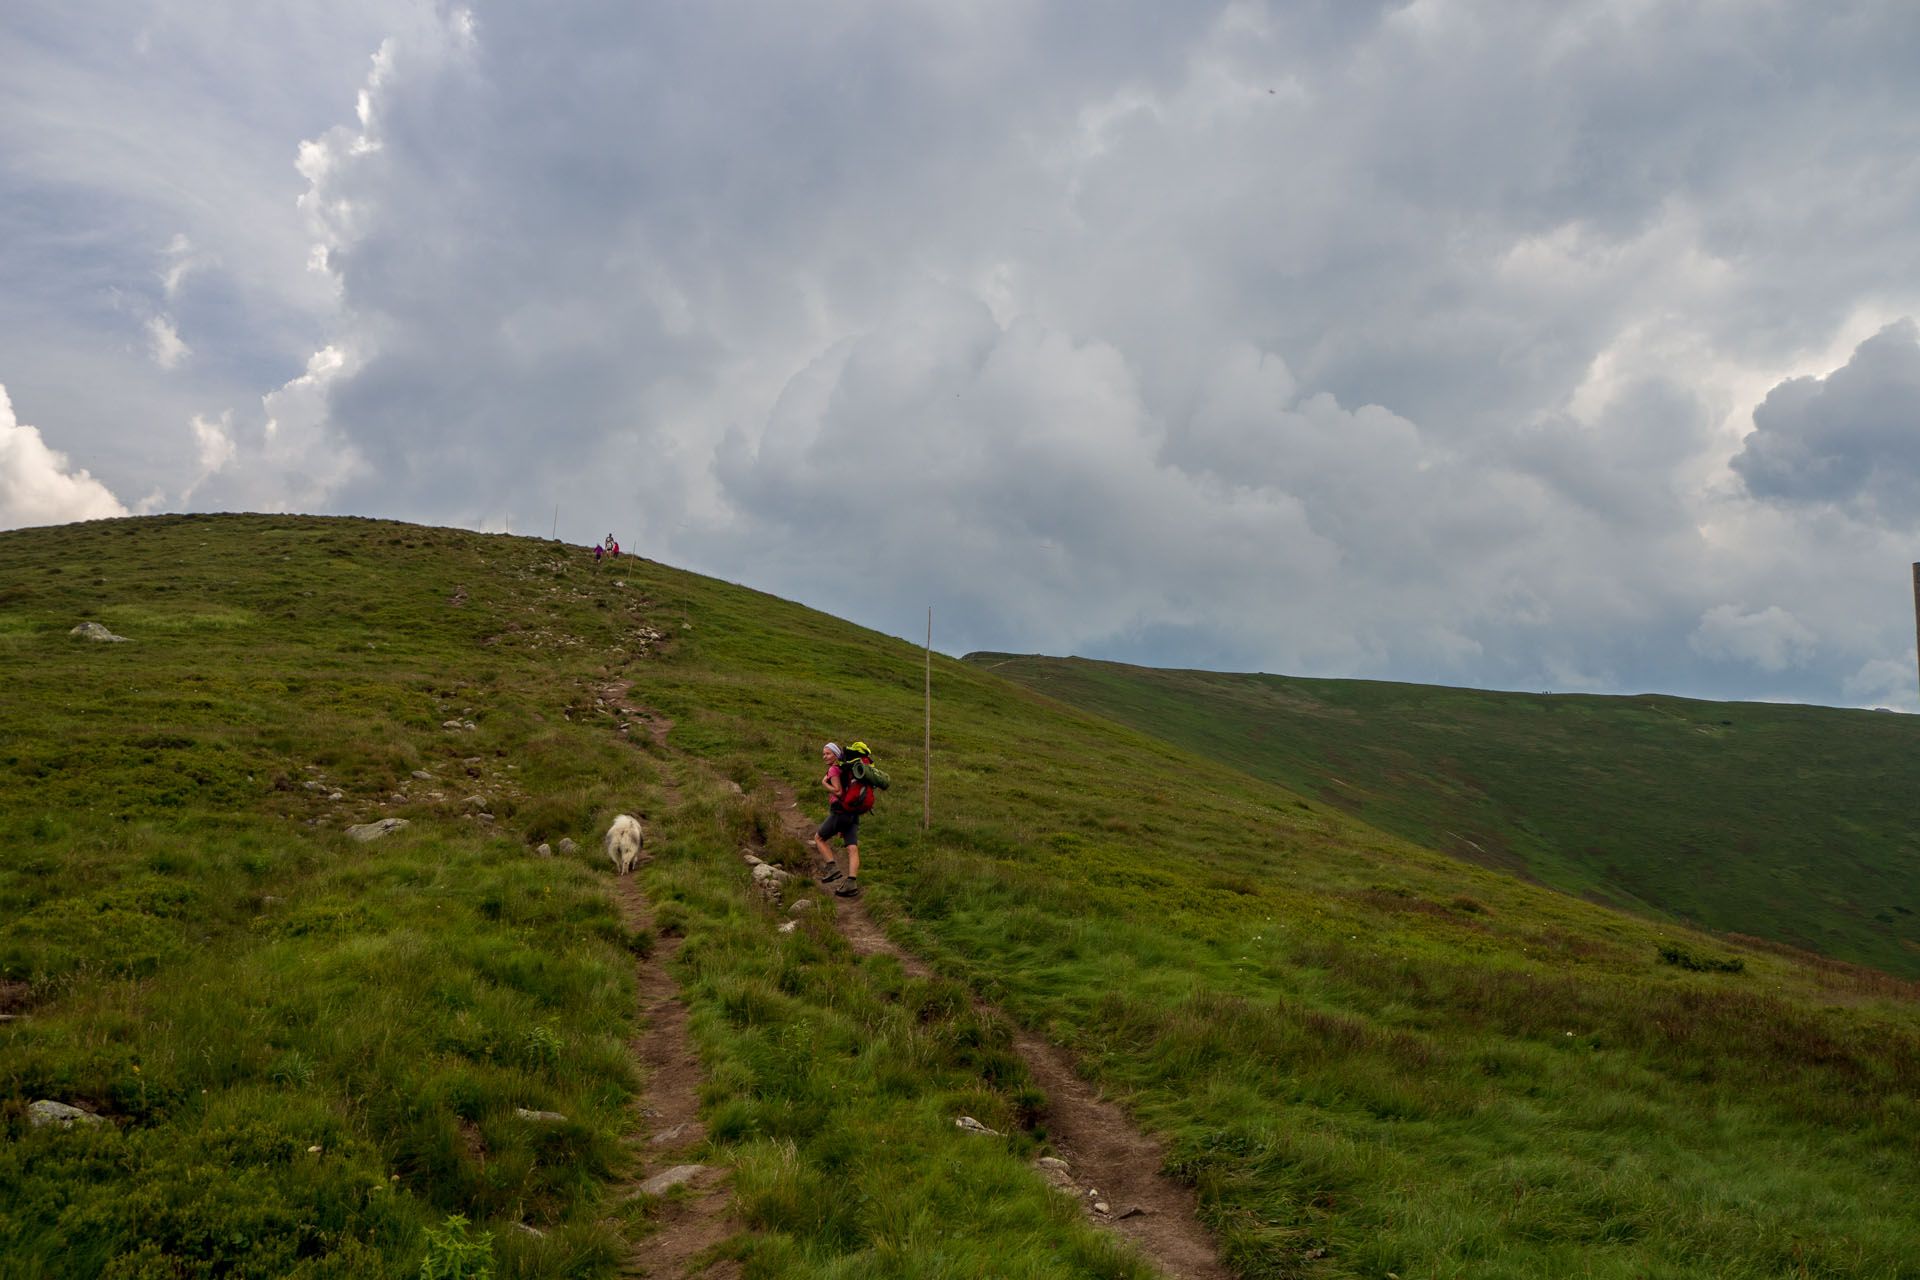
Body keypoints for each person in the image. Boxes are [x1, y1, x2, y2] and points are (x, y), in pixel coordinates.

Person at [813, 741, 863, 898]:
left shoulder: (834, 769)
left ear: (836, 754)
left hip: (840, 811)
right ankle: (851, 883)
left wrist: (824, 783)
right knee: (852, 848)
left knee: (819, 838)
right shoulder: (847, 769)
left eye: (828, 753)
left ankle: (832, 868)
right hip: (853, 812)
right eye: (823, 753)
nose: (825, 756)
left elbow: (839, 792)